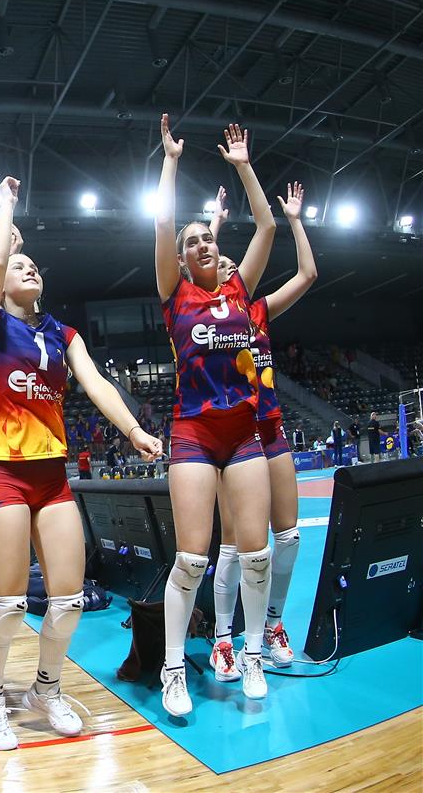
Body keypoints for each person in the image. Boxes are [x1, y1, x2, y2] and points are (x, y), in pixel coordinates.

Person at [0, 175, 162, 751]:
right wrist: (6, 209)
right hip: (2, 471)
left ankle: (45, 689)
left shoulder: (63, 333)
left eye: (34, 266)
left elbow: (96, 382)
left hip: (52, 477)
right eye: (19, 267)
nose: (28, 269)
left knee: (69, 600)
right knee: (6, 605)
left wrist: (133, 429)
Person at [151, 116, 278, 718]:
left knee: (256, 553)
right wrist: (171, 161)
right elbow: (162, 223)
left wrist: (244, 166)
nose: (204, 244)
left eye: (209, 238)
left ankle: (252, 655)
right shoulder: (175, 294)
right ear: (181, 258)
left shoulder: (240, 290)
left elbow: (268, 227)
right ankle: (173, 667)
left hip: (243, 433)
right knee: (192, 559)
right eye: (193, 241)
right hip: (194, 433)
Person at [208, 181, 317, 676]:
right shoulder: (201, 317)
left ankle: (273, 625)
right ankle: (223, 639)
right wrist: (213, 225)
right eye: (223, 265)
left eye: (236, 265)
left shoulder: (259, 311)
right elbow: (195, 266)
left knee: (288, 537)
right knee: (233, 545)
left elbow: (308, 274)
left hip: (270, 431)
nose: (232, 268)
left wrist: (294, 219)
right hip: (231, 439)